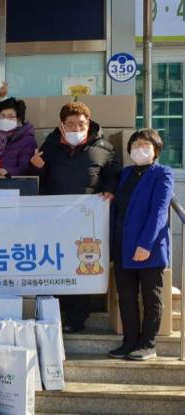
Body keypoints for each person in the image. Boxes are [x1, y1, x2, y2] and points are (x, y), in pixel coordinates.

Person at [30, 101, 119, 333]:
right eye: (71, 124)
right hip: (54, 219)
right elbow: (39, 180)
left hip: (86, 219)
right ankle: (52, 315)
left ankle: (76, 318)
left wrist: (110, 189)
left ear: (88, 123)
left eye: (81, 124)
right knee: (54, 263)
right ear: (62, 125)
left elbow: (113, 174)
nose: (76, 128)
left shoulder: (104, 147)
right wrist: (36, 167)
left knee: (81, 265)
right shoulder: (49, 147)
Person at [108, 129, 173, 361]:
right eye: (135, 145)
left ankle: (148, 344)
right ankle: (129, 341)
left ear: (156, 150)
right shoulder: (125, 174)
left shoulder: (163, 173)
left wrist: (145, 244)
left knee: (151, 297)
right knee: (126, 296)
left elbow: (159, 212)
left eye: (145, 145)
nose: (140, 149)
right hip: (122, 245)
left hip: (149, 247)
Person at [0, 97, 36, 176]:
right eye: (2, 116)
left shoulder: (27, 140)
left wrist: (8, 172)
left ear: (18, 119)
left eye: (10, 116)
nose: (5, 119)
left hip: (11, 182)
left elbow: (25, 168)